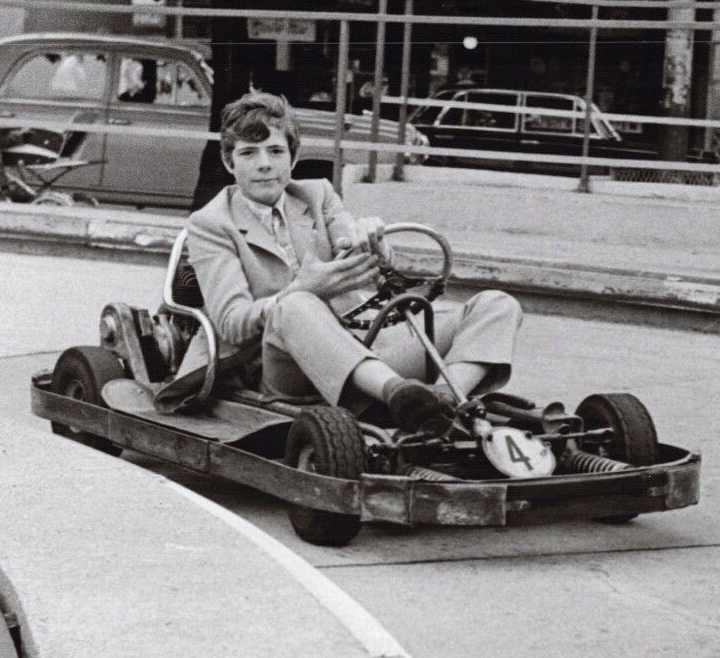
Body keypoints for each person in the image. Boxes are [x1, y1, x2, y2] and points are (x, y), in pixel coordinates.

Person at [178, 91, 521, 433]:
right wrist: (300, 290)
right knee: (296, 304)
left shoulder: (317, 194)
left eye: (276, 151)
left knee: (497, 304)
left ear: (292, 159)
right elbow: (232, 323)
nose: (264, 163)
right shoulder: (211, 223)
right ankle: (397, 393)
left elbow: (355, 248)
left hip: (366, 351)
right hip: (287, 370)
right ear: (229, 163)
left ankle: (440, 402)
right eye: (249, 153)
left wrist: (374, 243)